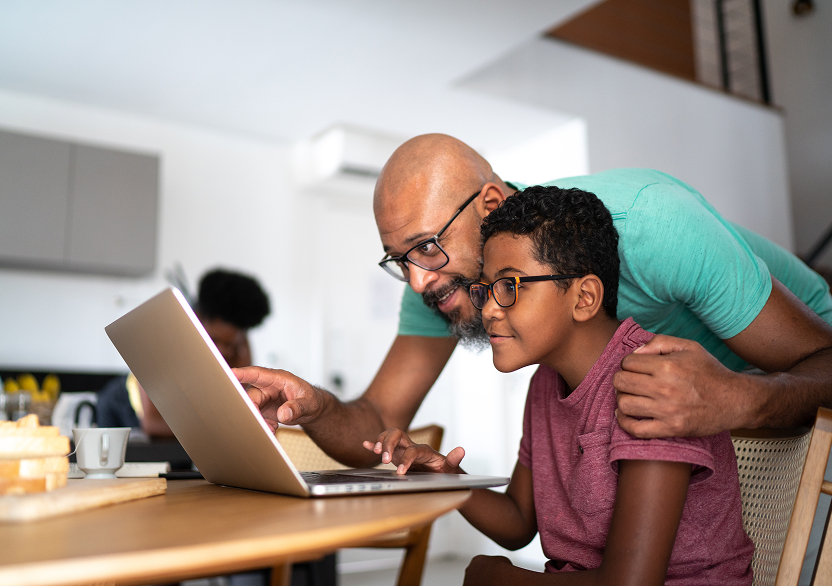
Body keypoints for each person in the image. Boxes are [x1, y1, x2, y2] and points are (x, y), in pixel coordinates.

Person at [235, 133, 832, 468]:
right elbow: (376, 421)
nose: (418, 282)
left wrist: (739, 399)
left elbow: (823, 365)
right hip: (687, 424)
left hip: (783, 379)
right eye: (400, 260)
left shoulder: (651, 226)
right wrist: (315, 407)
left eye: (425, 247)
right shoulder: (447, 282)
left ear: (490, 206)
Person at [365, 185, 753, 585]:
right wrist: (442, 477)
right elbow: (518, 522)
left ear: (584, 298)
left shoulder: (654, 383)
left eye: (510, 286)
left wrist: (501, 579)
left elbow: (630, 582)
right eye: (486, 289)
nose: (490, 310)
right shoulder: (545, 383)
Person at [97, 267, 271, 435]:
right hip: (126, 408)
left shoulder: (239, 347)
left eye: (231, 344)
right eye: (214, 340)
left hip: (185, 418)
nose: (223, 351)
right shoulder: (165, 346)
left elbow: (235, 405)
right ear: (196, 317)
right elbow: (152, 424)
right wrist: (219, 429)